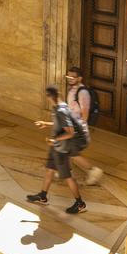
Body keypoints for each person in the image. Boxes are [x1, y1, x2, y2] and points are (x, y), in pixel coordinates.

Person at [36, 66, 103, 185]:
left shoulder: (82, 93)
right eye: (69, 76)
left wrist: (77, 132)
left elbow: (84, 115)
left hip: (78, 130)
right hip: (72, 127)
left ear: (80, 78)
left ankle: (93, 171)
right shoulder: (72, 90)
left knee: (71, 153)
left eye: (73, 77)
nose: (70, 79)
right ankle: (66, 171)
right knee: (66, 151)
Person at [26, 86, 87, 215]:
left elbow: (70, 132)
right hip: (57, 147)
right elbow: (61, 124)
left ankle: (80, 203)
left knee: (68, 177)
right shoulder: (60, 106)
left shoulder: (61, 111)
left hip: (62, 149)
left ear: (49, 96)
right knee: (49, 170)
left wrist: (55, 140)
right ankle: (42, 196)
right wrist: (45, 123)